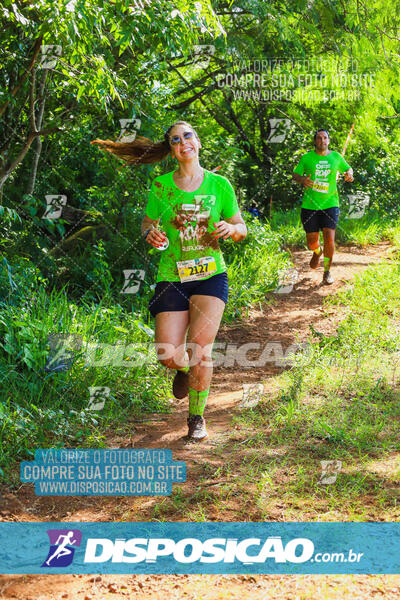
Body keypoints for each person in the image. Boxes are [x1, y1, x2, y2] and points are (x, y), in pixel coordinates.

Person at [91, 121, 247, 441]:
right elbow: (148, 224)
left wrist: (231, 231)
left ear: (198, 141)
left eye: (188, 135)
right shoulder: (161, 186)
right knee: (167, 354)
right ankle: (182, 369)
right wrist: (152, 233)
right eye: (175, 140)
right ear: (172, 150)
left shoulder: (219, 185)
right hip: (172, 275)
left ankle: (196, 418)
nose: (182, 142)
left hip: (210, 275)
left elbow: (240, 226)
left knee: (201, 349)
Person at [292, 129, 354, 284]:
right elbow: (295, 175)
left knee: (329, 238)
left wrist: (349, 174)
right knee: (312, 242)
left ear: (328, 140)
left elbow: (348, 168)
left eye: (325, 138)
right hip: (310, 205)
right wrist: (302, 180)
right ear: (315, 141)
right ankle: (317, 252)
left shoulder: (336, 157)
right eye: (319, 138)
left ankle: (327, 271)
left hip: (330, 204)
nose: (322, 141)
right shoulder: (306, 158)